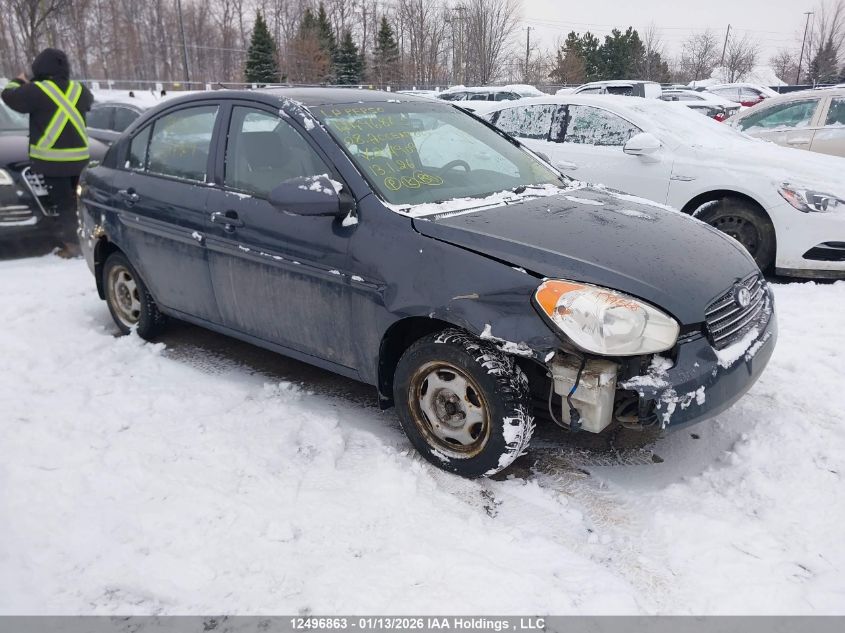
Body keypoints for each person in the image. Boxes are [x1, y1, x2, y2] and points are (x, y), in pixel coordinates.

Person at [2, 48, 93, 257]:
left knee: (64, 205)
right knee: (78, 202)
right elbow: (88, 103)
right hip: (80, 160)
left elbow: (8, 96)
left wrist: (18, 80)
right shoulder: (80, 90)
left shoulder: (36, 90)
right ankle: (84, 238)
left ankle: (72, 246)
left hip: (53, 162)